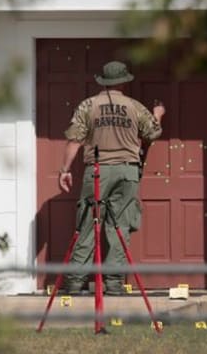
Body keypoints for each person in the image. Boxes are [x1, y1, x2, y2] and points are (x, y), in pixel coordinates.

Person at [57, 60, 165, 295]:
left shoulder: (88, 105)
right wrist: (157, 114)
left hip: (97, 171)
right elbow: (153, 132)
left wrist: (65, 170)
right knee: (119, 226)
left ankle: (75, 282)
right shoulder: (135, 107)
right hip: (127, 172)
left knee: (87, 223)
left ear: (103, 82)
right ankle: (114, 284)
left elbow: (74, 140)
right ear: (124, 82)